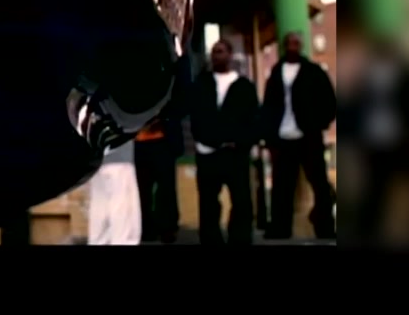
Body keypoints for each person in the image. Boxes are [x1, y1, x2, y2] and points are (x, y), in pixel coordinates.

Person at [262, 32, 337, 239]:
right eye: (289, 43)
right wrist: (269, 136)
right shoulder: (276, 72)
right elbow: (268, 106)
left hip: (308, 137)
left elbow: (330, 101)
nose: (292, 46)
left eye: (296, 43)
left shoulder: (313, 72)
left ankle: (325, 228)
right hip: (283, 138)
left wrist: (319, 124)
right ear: (284, 46)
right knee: (282, 186)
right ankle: (280, 228)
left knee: (320, 184)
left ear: (301, 46)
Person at [190, 39, 259, 245]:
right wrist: (201, 139)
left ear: (229, 55)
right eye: (214, 52)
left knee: (241, 200)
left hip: (235, 153)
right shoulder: (201, 84)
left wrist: (242, 142)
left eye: (220, 51)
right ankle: (211, 239)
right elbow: (195, 115)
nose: (216, 55)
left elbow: (253, 118)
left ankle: (239, 239)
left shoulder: (244, 86)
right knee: (208, 201)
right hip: (208, 152)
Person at [134, 117, 183, 243]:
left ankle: (167, 228)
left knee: (166, 189)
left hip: (163, 142)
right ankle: (144, 228)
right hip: (136, 144)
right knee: (141, 190)